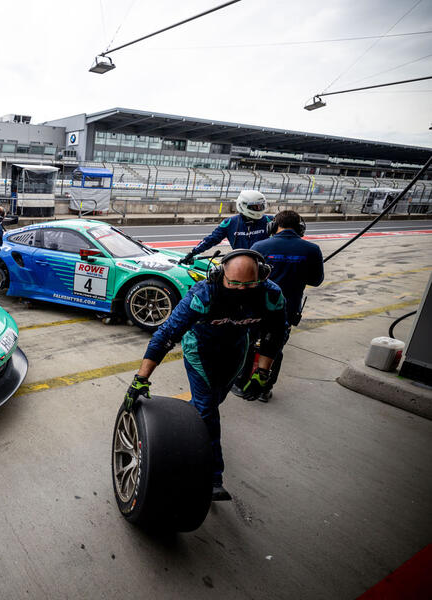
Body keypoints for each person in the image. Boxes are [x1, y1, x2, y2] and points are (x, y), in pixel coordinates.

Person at [123, 250, 288, 501]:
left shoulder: (271, 294)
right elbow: (166, 335)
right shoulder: (204, 293)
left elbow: (275, 334)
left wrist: (262, 373)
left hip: (236, 348)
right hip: (199, 349)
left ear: (262, 276)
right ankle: (212, 477)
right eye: (234, 284)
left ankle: (186, 425)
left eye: (249, 284)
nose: (241, 291)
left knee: (210, 403)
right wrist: (141, 379)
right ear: (219, 275)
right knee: (208, 408)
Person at [231, 210, 324, 401]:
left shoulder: (260, 246)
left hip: (257, 307)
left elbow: (248, 277)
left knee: (248, 343)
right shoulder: (312, 249)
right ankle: (264, 389)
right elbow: (316, 281)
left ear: (273, 226)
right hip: (288, 310)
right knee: (274, 348)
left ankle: (240, 383)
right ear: (300, 228)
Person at [179, 190, 273, 265]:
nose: (259, 209)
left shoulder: (270, 220)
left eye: (261, 206)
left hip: (265, 263)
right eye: (255, 207)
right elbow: (211, 239)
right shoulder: (230, 223)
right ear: (242, 205)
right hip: (240, 264)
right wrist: (192, 253)